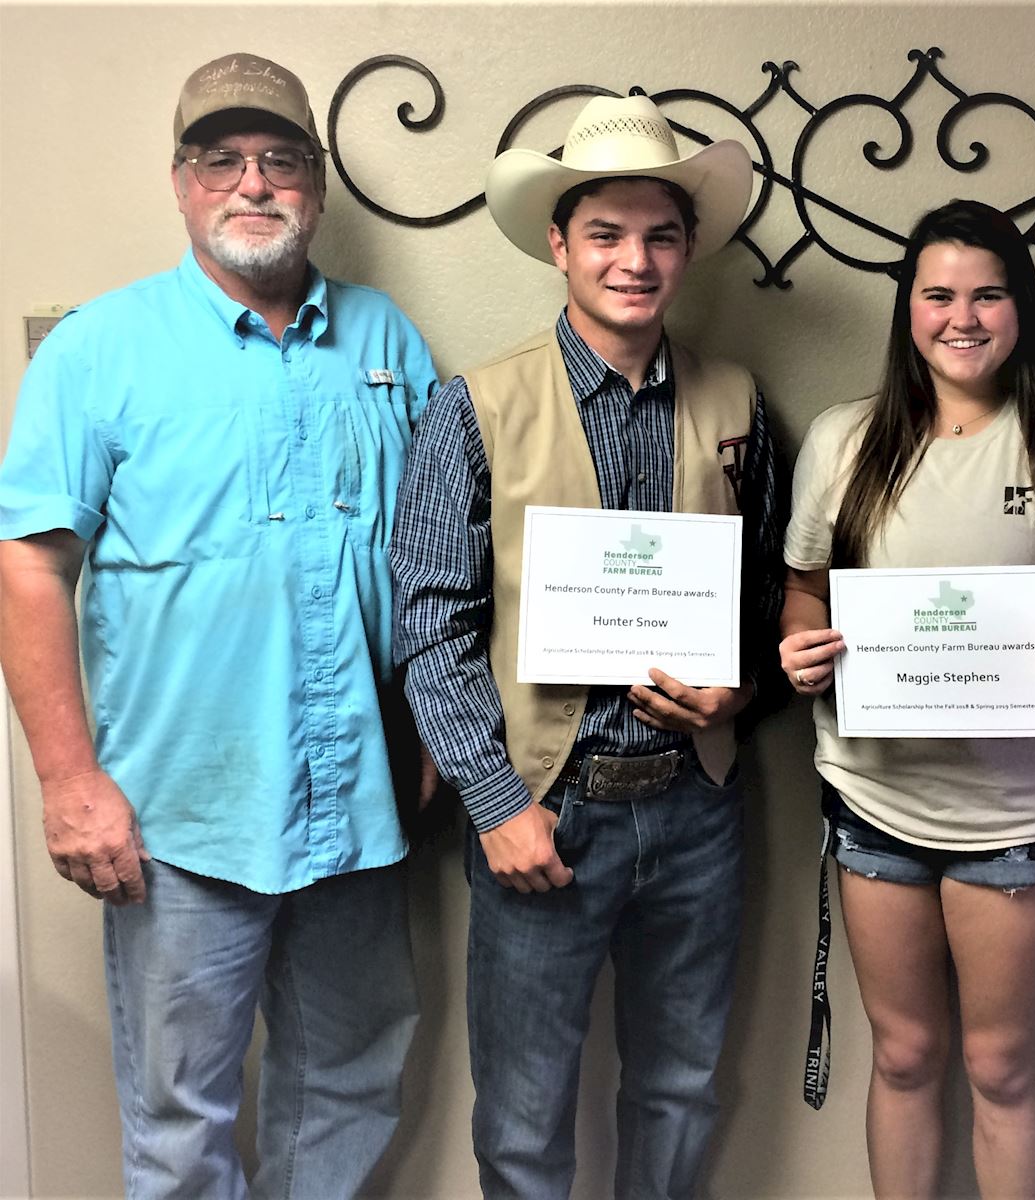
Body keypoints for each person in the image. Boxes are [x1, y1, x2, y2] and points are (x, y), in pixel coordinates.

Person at [0, 51, 438, 1199]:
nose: (254, 183)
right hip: (180, 813)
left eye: (282, 159)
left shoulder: (387, 342)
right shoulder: (101, 348)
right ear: (183, 183)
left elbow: (442, 559)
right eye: (221, 160)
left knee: (350, 1085)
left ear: (318, 185)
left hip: (360, 803)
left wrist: (440, 738)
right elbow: (30, 568)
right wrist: (66, 780)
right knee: (180, 1118)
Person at [390, 94, 784, 1199]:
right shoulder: (475, 407)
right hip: (544, 809)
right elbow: (432, 622)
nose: (635, 259)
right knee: (522, 1118)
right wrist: (493, 802)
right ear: (559, 244)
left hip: (696, 812)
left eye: (660, 234)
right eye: (605, 233)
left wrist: (738, 692)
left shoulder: (739, 402)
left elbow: (764, 600)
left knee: (683, 1089)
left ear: (690, 247)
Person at [780, 199, 1035, 1198]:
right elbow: (805, 587)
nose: (963, 316)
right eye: (938, 294)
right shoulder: (843, 439)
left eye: (988, 294)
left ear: (1021, 310)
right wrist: (795, 645)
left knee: (1002, 1065)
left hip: (1024, 813)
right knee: (902, 1058)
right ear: (906, 309)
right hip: (874, 801)